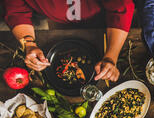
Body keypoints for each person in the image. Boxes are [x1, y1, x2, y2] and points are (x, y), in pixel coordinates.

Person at [2, 0, 136, 82]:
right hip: (55, 20)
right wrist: (29, 43)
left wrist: (111, 57)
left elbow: (120, 8)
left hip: (102, 20)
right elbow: (16, 9)